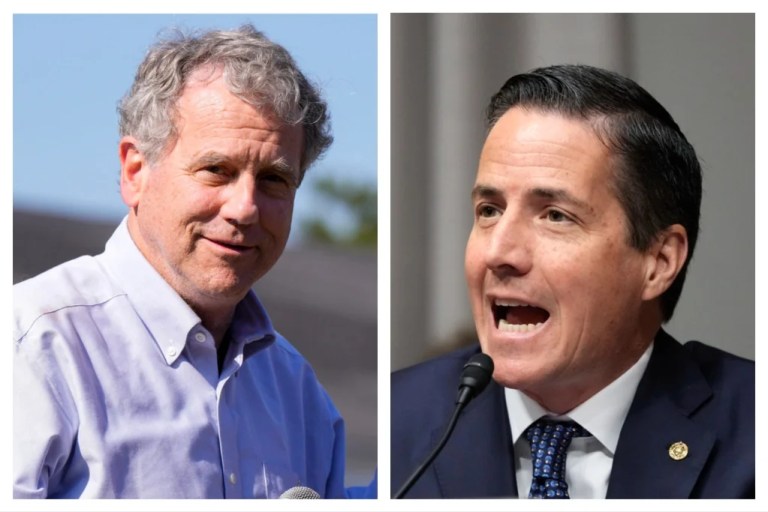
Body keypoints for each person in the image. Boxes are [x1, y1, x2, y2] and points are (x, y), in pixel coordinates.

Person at [14, 24, 366, 499]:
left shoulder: (296, 390)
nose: (245, 207)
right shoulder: (34, 346)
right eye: (216, 170)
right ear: (135, 171)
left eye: (274, 180)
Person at [391, 64, 754, 499]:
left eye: (555, 216)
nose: (499, 253)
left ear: (659, 261)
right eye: (489, 210)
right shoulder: (394, 421)